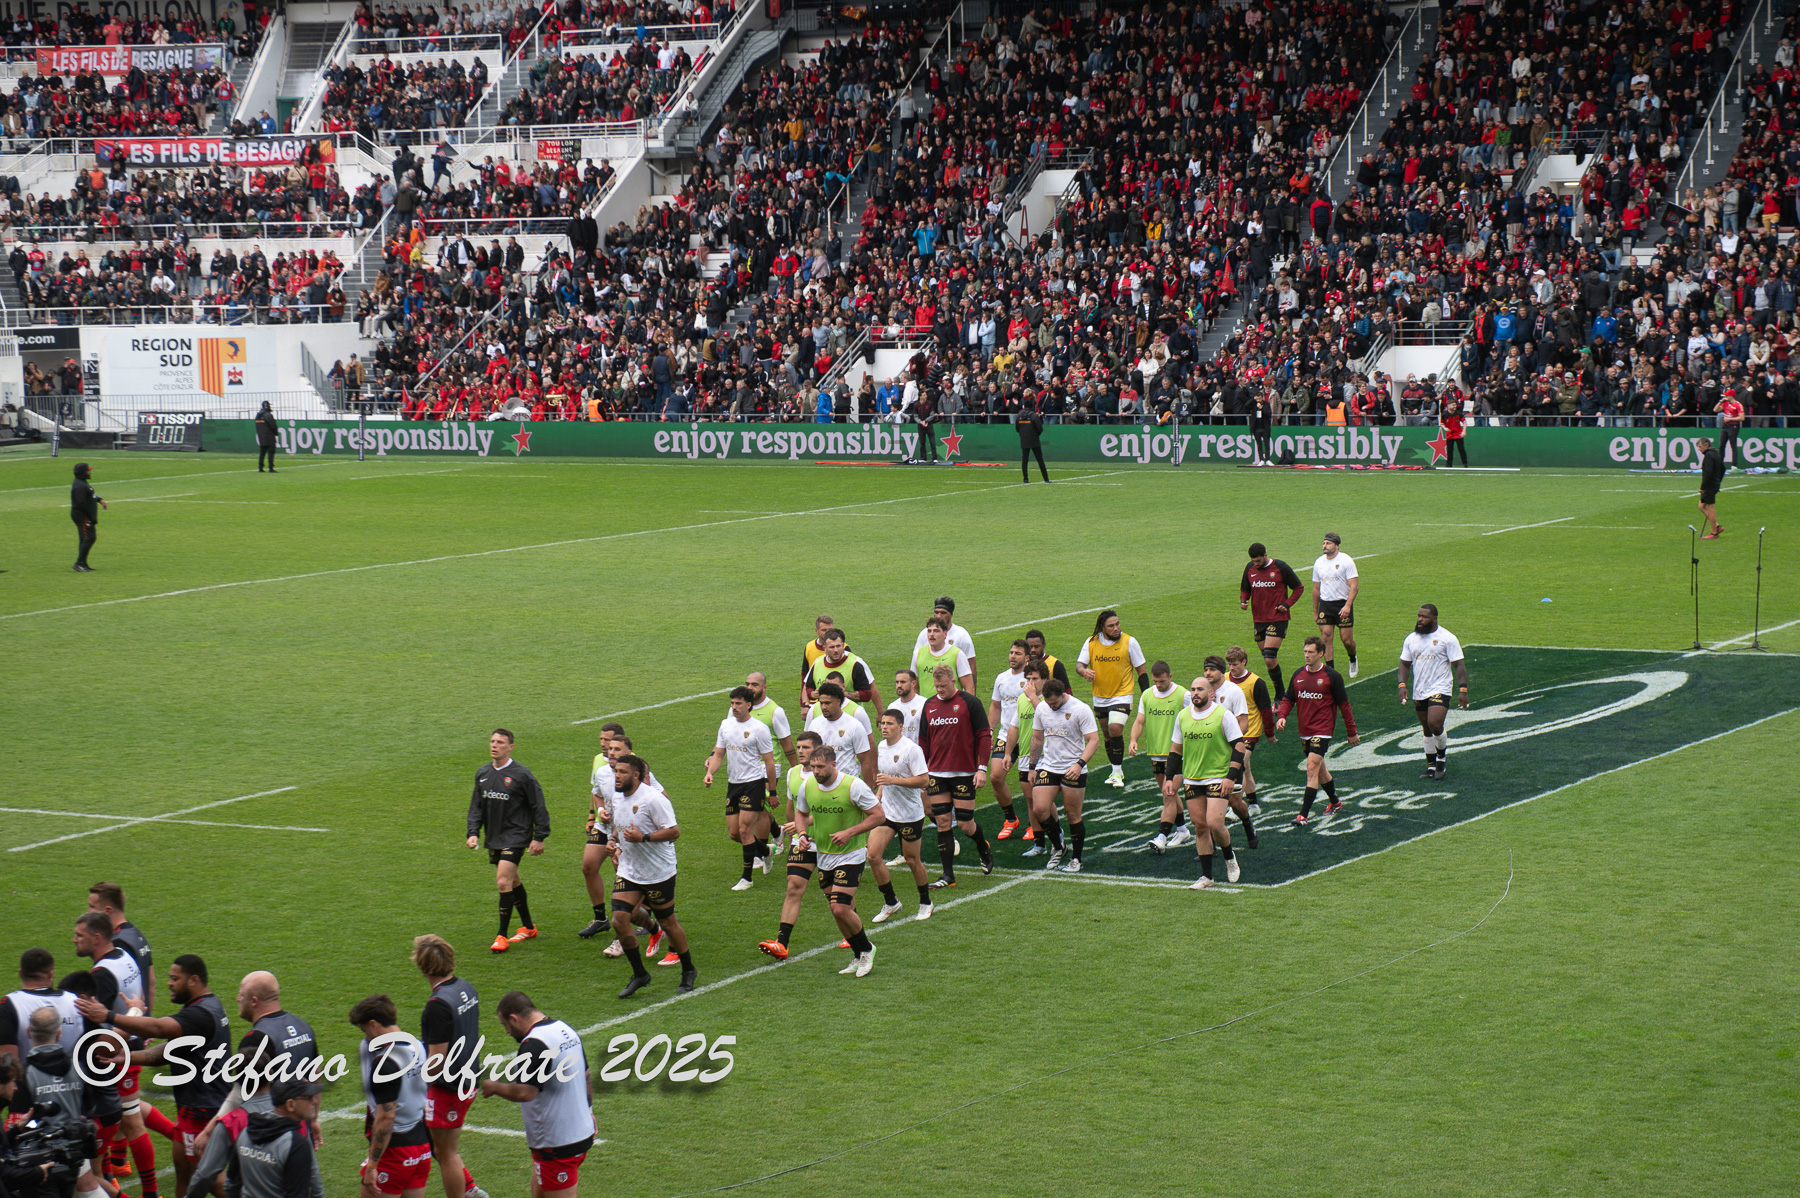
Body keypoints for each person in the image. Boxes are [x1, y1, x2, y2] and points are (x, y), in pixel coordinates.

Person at [95, 954, 229, 1198]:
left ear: (194, 980)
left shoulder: (198, 1016)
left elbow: (157, 1028)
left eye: (175, 979)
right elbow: (167, 1052)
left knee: (210, 1178)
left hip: (202, 1110)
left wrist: (109, 1016)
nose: (169, 983)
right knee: (183, 1168)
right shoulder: (208, 1006)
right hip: (195, 1107)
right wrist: (125, 1057)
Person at [477, 992, 594, 1198]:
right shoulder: (564, 1029)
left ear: (515, 1019)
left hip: (558, 1144)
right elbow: (586, 1076)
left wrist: (494, 1087)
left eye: (505, 1025)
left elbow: (525, 1092)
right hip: (578, 1131)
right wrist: (589, 1112)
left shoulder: (534, 1045)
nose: (506, 1031)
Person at [793, 744, 888, 976]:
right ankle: (857, 955)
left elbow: (879, 815)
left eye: (820, 767)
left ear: (833, 765)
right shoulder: (808, 786)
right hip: (824, 856)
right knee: (835, 909)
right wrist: (803, 834)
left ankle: (867, 949)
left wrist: (850, 832)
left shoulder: (853, 786)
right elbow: (801, 813)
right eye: (813, 766)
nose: (815, 771)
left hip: (851, 854)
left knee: (840, 908)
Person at [607, 754, 696, 998]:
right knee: (619, 919)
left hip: (658, 872)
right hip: (630, 870)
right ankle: (640, 974)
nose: (617, 775)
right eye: (616, 771)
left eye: (622, 772)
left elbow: (674, 832)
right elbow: (618, 823)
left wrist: (644, 838)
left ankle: (688, 969)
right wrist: (613, 842)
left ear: (636, 775)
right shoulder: (616, 797)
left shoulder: (653, 799)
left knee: (668, 922)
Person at [411, 936, 489, 1198]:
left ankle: (465, 1192)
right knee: (440, 1145)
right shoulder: (466, 988)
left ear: (422, 967)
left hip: (449, 1088)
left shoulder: (437, 1005)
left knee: (446, 1153)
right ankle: (469, 1189)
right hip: (467, 1078)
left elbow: (436, 1062)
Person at [465, 729, 549, 953]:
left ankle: (501, 936)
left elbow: (537, 805)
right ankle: (529, 927)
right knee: (513, 881)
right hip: (494, 836)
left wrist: (539, 837)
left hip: (516, 835)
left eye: (500, 742)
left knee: (503, 881)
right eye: (492, 741)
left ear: (510, 747)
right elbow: (476, 807)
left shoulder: (522, 774)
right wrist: (473, 832)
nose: (494, 745)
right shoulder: (483, 773)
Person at [10, 1006, 108, 1198]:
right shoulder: (78, 1067)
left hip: (39, 1163)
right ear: (59, 1033)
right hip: (75, 1155)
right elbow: (89, 1109)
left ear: (29, 1033)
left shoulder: (24, 1074)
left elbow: (21, 1122)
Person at [918, 664, 996, 888]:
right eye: (936, 686)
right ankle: (948, 875)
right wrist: (922, 771)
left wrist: (982, 768)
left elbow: (983, 735)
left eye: (943, 686)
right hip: (937, 773)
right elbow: (924, 741)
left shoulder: (969, 703)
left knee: (964, 824)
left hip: (964, 772)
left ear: (954, 682)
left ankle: (983, 847)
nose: (939, 690)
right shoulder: (929, 705)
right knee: (942, 822)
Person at [1166, 675, 1246, 889]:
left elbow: (1239, 747)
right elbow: (1176, 750)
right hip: (1192, 778)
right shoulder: (1183, 716)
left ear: (1211, 693)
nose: (1195, 693)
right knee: (1200, 827)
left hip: (1218, 776)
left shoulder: (1223, 715)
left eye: (1200, 689)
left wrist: (1231, 776)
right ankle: (1207, 877)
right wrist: (1169, 778)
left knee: (1214, 823)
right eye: (1192, 689)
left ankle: (1229, 858)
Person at [349, 994, 433, 1198]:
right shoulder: (418, 1046)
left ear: (374, 1024)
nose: (365, 1036)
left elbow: (386, 1116)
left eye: (364, 1030)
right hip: (421, 1147)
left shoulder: (385, 1065)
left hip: (395, 1152)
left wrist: (371, 1166)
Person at [1275, 636, 1361, 825]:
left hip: (1323, 729)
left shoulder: (1332, 677)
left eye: (1311, 652)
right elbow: (1289, 699)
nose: (1306, 655)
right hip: (1304, 730)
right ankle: (1335, 802)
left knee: (1312, 767)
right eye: (1305, 652)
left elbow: (1344, 706)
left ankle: (1303, 815)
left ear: (1321, 653)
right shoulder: (1298, 675)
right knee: (1320, 769)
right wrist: (1282, 716)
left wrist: (1351, 731)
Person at [188, 1077, 321, 1198]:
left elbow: (231, 1184)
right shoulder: (296, 1144)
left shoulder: (245, 1133)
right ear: (290, 1105)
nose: (314, 1101)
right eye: (308, 1098)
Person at [703, 686, 778, 891]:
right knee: (734, 834)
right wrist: (710, 773)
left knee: (745, 830)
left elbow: (769, 762)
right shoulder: (725, 725)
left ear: (749, 705)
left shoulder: (759, 729)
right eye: (732, 703)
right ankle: (766, 850)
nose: (734, 707)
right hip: (733, 784)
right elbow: (718, 755)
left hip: (753, 784)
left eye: (738, 703)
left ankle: (747, 878)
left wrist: (772, 792)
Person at [757, 731, 824, 960]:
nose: (800, 751)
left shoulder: (827, 777)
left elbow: (832, 812)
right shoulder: (794, 773)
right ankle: (782, 943)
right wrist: (790, 832)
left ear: (818, 750)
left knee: (835, 894)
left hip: (827, 841)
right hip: (802, 841)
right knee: (793, 887)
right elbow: (792, 806)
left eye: (806, 747)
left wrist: (803, 823)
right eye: (798, 747)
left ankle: (852, 933)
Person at [1025, 678, 1100, 872]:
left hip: (1072, 768)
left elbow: (1093, 740)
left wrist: (1079, 764)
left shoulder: (1080, 709)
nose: (1051, 706)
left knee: (1073, 814)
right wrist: (1032, 766)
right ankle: (1059, 847)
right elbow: (1037, 737)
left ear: (1063, 695)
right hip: (1048, 766)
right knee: (1039, 809)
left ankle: (1076, 859)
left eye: (1055, 703)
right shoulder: (1042, 708)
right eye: (1048, 703)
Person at [868, 709, 933, 923]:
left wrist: (892, 781)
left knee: (912, 860)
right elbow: (882, 778)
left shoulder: (911, 750)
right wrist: (878, 796)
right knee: (873, 855)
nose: (884, 727)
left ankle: (925, 901)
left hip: (909, 814)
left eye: (889, 724)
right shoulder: (881, 747)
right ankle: (891, 902)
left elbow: (924, 781)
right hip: (887, 811)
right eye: (882, 724)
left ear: (900, 727)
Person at [1075, 609, 1149, 787]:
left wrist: (1147, 697)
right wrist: (1084, 671)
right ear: (1102, 628)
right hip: (1100, 697)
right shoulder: (1091, 642)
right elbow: (1079, 664)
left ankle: (1116, 773)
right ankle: (1116, 770)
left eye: (1117, 624)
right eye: (1111, 626)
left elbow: (1142, 671)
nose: (1116, 628)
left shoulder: (1129, 642)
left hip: (1122, 694)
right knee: (1107, 734)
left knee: (1115, 728)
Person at [1397, 605, 1470, 780]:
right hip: (1420, 689)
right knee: (1426, 728)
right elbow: (1404, 664)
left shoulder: (1447, 638)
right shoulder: (1411, 639)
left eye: (1424, 617)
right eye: (1418, 616)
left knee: (1435, 724)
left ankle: (1441, 759)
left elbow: (1459, 664)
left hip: (1441, 687)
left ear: (1435, 618)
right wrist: (1402, 685)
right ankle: (1430, 766)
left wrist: (1463, 689)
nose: (1420, 620)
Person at [1200, 656, 1261, 847]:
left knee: (1235, 802)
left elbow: (1244, 722)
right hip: (1207, 756)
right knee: (1205, 804)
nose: (1208, 673)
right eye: (1206, 670)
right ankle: (1209, 846)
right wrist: (1203, 704)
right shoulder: (1200, 691)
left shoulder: (1234, 692)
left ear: (1221, 671)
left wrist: (1231, 741)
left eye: (1212, 670)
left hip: (1228, 754)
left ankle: (1246, 822)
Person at [1131, 661, 1191, 854]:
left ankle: (1161, 837)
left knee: (1169, 795)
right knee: (1169, 796)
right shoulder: (1147, 695)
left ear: (1170, 677)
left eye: (1162, 681)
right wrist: (1133, 739)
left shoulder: (1184, 695)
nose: (1158, 685)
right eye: (1155, 681)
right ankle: (1182, 830)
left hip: (1178, 755)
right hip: (1156, 754)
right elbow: (1140, 720)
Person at [1240, 543, 1306, 697]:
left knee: (1269, 658)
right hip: (1259, 619)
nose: (1256, 564)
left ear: (1265, 555)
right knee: (1268, 659)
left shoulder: (1281, 567)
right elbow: (1245, 589)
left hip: (1277, 618)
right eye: (1254, 561)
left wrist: (1287, 604)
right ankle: (1281, 691)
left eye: (1258, 561)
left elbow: (1299, 587)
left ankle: (1279, 694)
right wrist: (1244, 600)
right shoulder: (1250, 568)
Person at [1223, 646, 1277, 820]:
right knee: (1245, 769)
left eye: (1235, 664)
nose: (1231, 668)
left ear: (1244, 662)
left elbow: (1265, 710)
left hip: (1249, 732)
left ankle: (1235, 805)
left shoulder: (1256, 682)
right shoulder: (1223, 679)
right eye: (1229, 664)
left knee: (1238, 765)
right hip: (1228, 732)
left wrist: (1269, 732)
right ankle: (1253, 805)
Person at [986, 639, 1031, 838]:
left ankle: (1034, 825)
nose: (1013, 656)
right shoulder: (1001, 678)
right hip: (1006, 735)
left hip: (1028, 737)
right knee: (995, 776)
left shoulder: (1032, 679)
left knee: (1029, 784)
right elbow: (996, 706)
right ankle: (1011, 819)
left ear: (1027, 658)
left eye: (1018, 653)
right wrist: (989, 731)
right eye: (1011, 652)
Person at [803, 683, 876, 780]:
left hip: (847, 784)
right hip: (820, 783)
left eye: (828, 703)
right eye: (821, 703)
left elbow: (865, 761)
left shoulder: (854, 726)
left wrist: (868, 790)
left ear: (839, 701)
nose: (823, 707)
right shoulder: (814, 724)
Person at [1310, 533, 1360, 675]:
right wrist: (1315, 612)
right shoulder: (1319, 562)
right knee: (1326, 637)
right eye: (1324, 543)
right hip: (1325, 605)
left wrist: (1348, 606)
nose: (1324, 546)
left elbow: (1354, 586)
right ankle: (1330, 671)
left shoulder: (1346, 561)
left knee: (1346, 640)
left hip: (1342, 604)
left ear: (1336, 546)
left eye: (1328, 543)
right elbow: (1316, 589)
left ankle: (1352, 658)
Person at [803, 629, 880, 713]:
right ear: (824, 648)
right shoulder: (817, 663)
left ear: (843, 645)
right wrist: (812, 694)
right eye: (832, 647)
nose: (836, 650)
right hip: (824, 716)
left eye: (838, 646)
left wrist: (842, 694)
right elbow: (808, 688)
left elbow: (867, 695)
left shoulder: (855, 665)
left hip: (851, 716)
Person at [910, 598, 977, 689]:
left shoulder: (962, 635)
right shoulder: (924, 634)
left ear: (951, 615)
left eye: (943, 613)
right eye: (936, 612)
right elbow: (917, 664)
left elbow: (972, 668)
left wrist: (971, 699)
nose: (939, 616)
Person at [70, 462, 106, 572]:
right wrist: (90, 517)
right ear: (83, 473)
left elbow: (91, 494)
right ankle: (79, 563)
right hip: (82, 516)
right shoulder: (80, 486)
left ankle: (83, 563)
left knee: (85, 538)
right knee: (89, 537)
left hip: (85, 516)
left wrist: (99, 500)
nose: (90, 473)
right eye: (88, 471)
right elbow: (82, 503)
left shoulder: (83, 483)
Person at [798, 616, 836, 706]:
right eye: (824, 630)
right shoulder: (809, 647)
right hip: (814, 703)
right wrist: (804, 704)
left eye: (830, 630)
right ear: (816, 631)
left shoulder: (843, 648)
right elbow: (805, 677)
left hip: (836, 701)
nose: (828, 633)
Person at [1016, 395, 1049, 482]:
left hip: (1024, 439)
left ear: (1024, 406)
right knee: (1040, 460)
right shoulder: (1034, 416)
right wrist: (1035, 435)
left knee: (1024, 460)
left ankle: (1025, 479)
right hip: (1034, 439)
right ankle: (1046, 479)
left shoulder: (1019, 415)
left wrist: (1023, 434)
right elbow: (1040, 428)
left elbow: (1017, 428)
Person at [1697, 437, 1725, 539]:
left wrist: (1702, 487)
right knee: (1701, 506)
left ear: (1706, 445)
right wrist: (1718, 480)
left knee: (1710, 508)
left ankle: (1714, 533)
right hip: (1714, 483)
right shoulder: (1716, 454)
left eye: (1700, 447)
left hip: (1709, 485)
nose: (1699, 449)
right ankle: (1716, 526)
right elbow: (1723, 468)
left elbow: (1707, 473)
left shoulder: (1708, 456)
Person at [1715, 389, 1745, 467]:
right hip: (1725, 426)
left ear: (1730, 396)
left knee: (1733, 446)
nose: (1725, 396)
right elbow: (1715, 410)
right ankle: (1720, 463)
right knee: (1721, 445)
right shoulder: (1725, 404)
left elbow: (1742, 417)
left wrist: (1730, 419)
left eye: (1727, 395)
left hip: (1733, 426)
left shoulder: (1738, 405)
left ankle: (1734, 465)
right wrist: (1721, 402)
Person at [255, 401, 279, 472]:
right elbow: (273, 426)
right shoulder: (268, 415)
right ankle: (271, 468)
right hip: (269, 436)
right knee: (271, 452)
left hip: (261, 436)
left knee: (262, 452)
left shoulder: (258, 415)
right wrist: (275, 433)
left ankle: (260, 467)